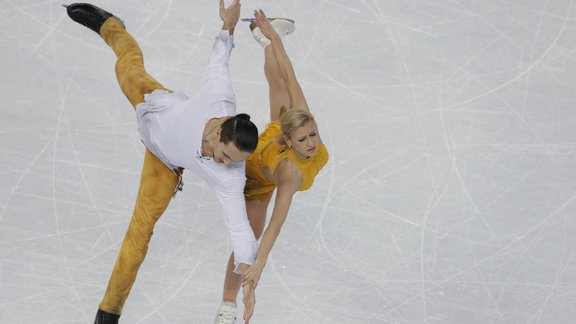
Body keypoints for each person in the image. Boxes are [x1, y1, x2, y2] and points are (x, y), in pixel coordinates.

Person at [64, 1, 259, 323]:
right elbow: (219, 62)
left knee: (140, 231)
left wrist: (248, 266)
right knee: (128, 68)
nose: (226, 164)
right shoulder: (218, 97)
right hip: (156, 105)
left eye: (234, 161)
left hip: (163, 164)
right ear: (219, 129)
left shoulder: (230, 174)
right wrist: (228, 27)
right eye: (225, 155)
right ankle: (111, 25)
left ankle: (108, 311)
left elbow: (238, 225)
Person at [214, 9, 329, 324]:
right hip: (254, 174)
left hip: (278, 133)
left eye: (313, 135)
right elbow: (275, 225)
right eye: (304, 139)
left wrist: (274, 36)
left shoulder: (299, 120)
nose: (312, 143)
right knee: (250, 238)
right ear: (290, 142)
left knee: (280, 82)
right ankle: (227, 305)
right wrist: (259, 264)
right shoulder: (290, 174)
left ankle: (263, 40)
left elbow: (290, 74)